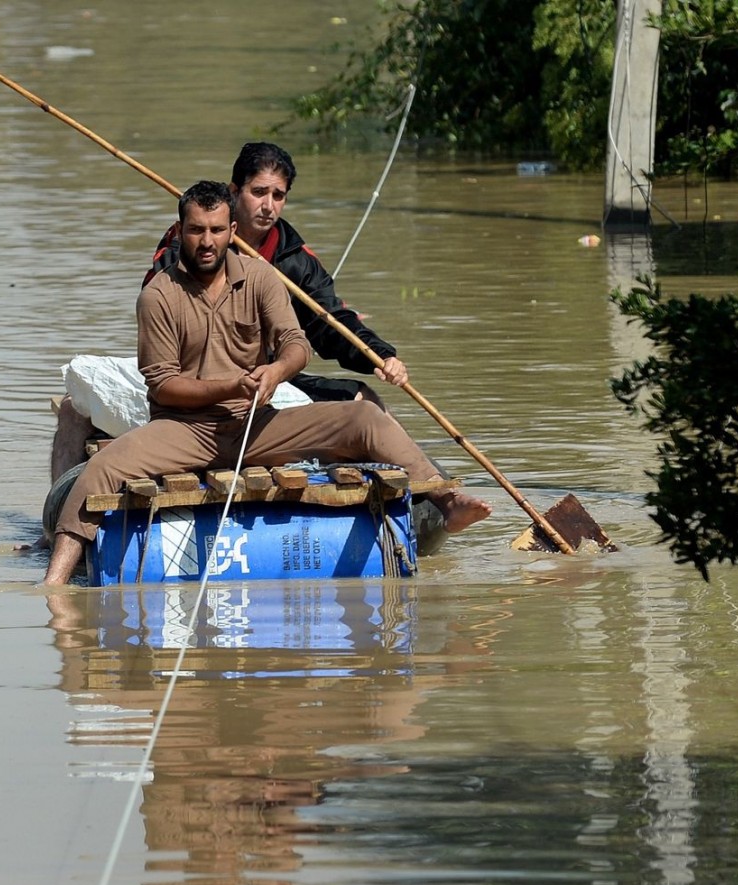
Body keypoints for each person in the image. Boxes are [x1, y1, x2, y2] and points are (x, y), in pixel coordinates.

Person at [42, 182, 490, 585]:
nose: (206, 242)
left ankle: (446, 501)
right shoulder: (159, 295)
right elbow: (163, 387)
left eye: (217, 230)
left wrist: (275, 373)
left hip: (260, 424)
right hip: (184, 431)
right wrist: (234, 385)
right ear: (179, 231)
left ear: (231, 229)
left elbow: (296, 343)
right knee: (101, 470)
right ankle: (55, 584)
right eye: (196, 230)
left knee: (365, 417)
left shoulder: (260, 278)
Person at [50, 142, 407, 484]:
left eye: (278, 196)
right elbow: (160, 302)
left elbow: (329, 321)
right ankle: (53, 524)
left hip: (265, 380)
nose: (268, 206)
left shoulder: (294, 259)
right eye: (258, 192)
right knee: (72, 406)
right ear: (235, 192)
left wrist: (379, 354)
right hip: (189, 380)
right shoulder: (189, 241)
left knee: (364, 399)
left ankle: (417, 494)